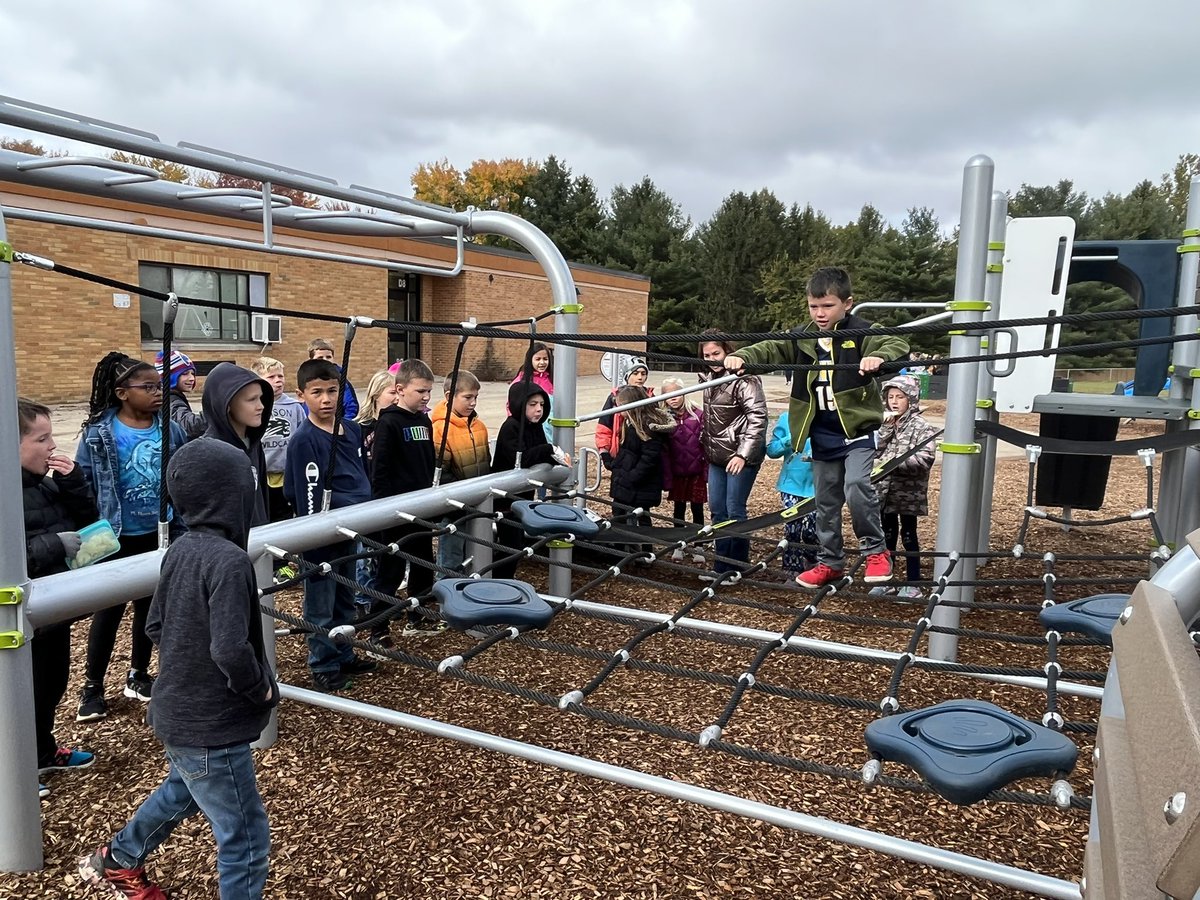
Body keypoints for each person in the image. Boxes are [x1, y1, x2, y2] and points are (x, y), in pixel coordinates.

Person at [78, 438, 277, 900]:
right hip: (213, 727)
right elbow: (230, 649)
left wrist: (185, 670)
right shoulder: (229, 561)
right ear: (232, 497)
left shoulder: (181, 549)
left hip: (179, 715)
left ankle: (119, 860)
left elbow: (155, 625)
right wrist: (260, 691)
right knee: (245, 837)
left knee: (183, 791)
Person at [721, 267, 909, 589]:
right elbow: (769, 348)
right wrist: (742, 356)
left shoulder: (860, 332)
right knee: (825, 500)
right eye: (814, 306)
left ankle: (876, 551)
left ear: (847, 304)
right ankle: (830, 561)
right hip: (822, 434)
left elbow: (895, 342)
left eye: (828, 306)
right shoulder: (803, 337)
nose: (820, 314)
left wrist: (877, 356)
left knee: (856, 486)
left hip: (855, 431)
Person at [75, 353, 187, 722]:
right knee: (109, 610)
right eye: (149, 387)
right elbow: (86, 485)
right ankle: (92, 685)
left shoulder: (169, 428)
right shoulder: (99, 433)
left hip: (159, 531)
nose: (158, 393)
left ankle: (138, 674)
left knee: (149, 607)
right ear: (122, 392)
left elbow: (182, 472)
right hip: (116, 535)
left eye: (159, 386)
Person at [284, 358, 378, 693]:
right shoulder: (304, 440)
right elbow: (300, 491)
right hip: (322, 534)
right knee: (320, 602)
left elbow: (360, 474)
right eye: (317, 392)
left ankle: (343, 651)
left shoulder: (351, 429)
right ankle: (322, 664)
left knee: (345, 595)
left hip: (352, 526)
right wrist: (314, 530)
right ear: (302, 395)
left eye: (332, 391)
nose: (326, 399)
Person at [19, 398, 97, 799]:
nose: (53, 446)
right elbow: (11, 553)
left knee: (52, 684)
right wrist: (55, 544)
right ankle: (15, 770)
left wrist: (73, 484)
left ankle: (43, 751)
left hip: (53, 611)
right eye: (41, 439)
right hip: (21, 618)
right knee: (18, 694)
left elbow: (86, 521)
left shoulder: (44, 483)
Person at [371, 359, 439, 640]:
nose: (425, 397)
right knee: (391, 570)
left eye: (428, 392)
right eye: (420, 391)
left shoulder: (423, 419)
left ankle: (417, 616)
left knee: (424, 565)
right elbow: (381, 470)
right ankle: (378, 626)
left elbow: (427, 461)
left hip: (422, 507)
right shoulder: (389, 422)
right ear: (400, 389)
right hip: (397, 511)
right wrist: (384, 510)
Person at [697, 333, 767, 577]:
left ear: (728, 351)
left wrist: (743, 455)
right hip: (717, 456)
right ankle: (720, 566)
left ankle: (736, 566)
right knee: (718, 511)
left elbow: (757, 418)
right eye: (707, 356)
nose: (712, 359)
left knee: (734, 510)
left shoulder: (744, 379)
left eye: (716, 354)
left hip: (740, 456)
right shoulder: (708, 378)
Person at [490, 381, 571, 579]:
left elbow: (539, 454)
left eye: (542, 405)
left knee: (516, 544)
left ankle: (504, 578)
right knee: (511, 545)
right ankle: (499, 579)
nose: (538, 410)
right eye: (533, 404)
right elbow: (523, 458)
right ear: (519, 404)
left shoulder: (536, 428)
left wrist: (554, 457)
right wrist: (549, 451)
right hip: (505, 500)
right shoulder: (511, 427)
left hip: (522, 498)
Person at [871, 375, 937, 600]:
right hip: (885, 493)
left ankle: (913, 581)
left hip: (908, 492)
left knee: (909, 535)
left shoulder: (921, 427)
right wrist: (885, 432)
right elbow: (875, 451)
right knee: (886, 535)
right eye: (890, 397)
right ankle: (886, 580)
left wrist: (895, 463)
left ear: (911, 399)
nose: (894, 402)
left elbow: (926, 458)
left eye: (900, 397)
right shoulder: (886, 423)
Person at [431, 369, 491, 576]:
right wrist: (466, 492)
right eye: (467, 397)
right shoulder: (440, 429)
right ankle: (446, 598)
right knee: (451, 556)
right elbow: (440, 471)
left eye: (476, 397)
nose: (473, 402)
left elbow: (486, 461)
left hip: (477, 502)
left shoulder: (479, 426)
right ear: (449, 397)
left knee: (476, 551)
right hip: (454, 506)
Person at [351, 370, 400, 611]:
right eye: (392, 392)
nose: (397, 397)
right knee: (366, 554)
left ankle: (381, 597)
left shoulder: (397, 422)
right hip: (365, 496)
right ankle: (363, 598)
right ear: (376, 395)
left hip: (389, 494)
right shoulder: (360, 427)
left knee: (386, 552)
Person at [201, 362, 273, 527]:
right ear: (227, 405)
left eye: (261, 398)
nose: (261, 406)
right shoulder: (209, 452)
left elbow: (261, 497)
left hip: (260, 538)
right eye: (251, 400)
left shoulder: (253, 443)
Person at [609, 385, 675, 555]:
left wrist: (631, 476)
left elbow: (649, 458)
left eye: (620, 405)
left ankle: (644, 553)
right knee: (621, 515)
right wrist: (615, 465)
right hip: (627, 480)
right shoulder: (631, 424)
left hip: (639, 483)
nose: (618, 409)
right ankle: (622, 551)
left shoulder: (647, 427)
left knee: (640, 518)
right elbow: (627, 452)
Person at [253, 356, 307, 525]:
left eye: (280, 376)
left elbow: (302, 436)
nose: (278, 381)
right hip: (262, 475)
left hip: (286, 473)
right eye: (271, 377)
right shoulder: (253, 406)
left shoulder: (294, 407)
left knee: (283, 518)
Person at [765, 411, 819, 580]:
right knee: (792, 528)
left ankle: (812, 559)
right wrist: (791, 438)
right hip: (791, 485)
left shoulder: (827, 415)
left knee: (812, 529)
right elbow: (772, 451)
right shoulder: (786, 418)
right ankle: (791, 567)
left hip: (817, 485)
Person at [660, 376, 706, 563]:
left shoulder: (697, 414)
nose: (673, 398)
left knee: (697, 509)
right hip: (677, 470)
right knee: (678, 508)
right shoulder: (663, 418)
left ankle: (699, 546)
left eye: (676, 393)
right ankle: (679, 544)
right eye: (668, 394)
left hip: (696, 469)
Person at [595, 360, 651, 466]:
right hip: (620, 452)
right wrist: (604, 453)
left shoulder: (650, 397)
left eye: (643, 374)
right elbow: (604, 427)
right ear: (627, 375)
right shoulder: (614, 398)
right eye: (635, 373)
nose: (640, 377)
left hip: (643, 453)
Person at [154, 350, 205, 440]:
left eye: (193, 373)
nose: (192, 378)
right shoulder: (171, 399)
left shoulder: (171, 395)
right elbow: (187, 426)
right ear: (169, 376)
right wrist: (215, 413)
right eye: (185, 374)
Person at [509, 342, 555, 440]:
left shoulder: (552, 380)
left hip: (550, 427)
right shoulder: (522, 381)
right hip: (529, 427)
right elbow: (512, 406)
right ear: (530, 360)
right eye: (538, 359)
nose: (542, 362)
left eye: (545, 359)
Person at [307, 338, 359, 419]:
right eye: (320, 358)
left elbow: (351, 406)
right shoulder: (307, 379)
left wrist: (343, 424)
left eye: (328, 357)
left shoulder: (341, 379)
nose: (325, 361)